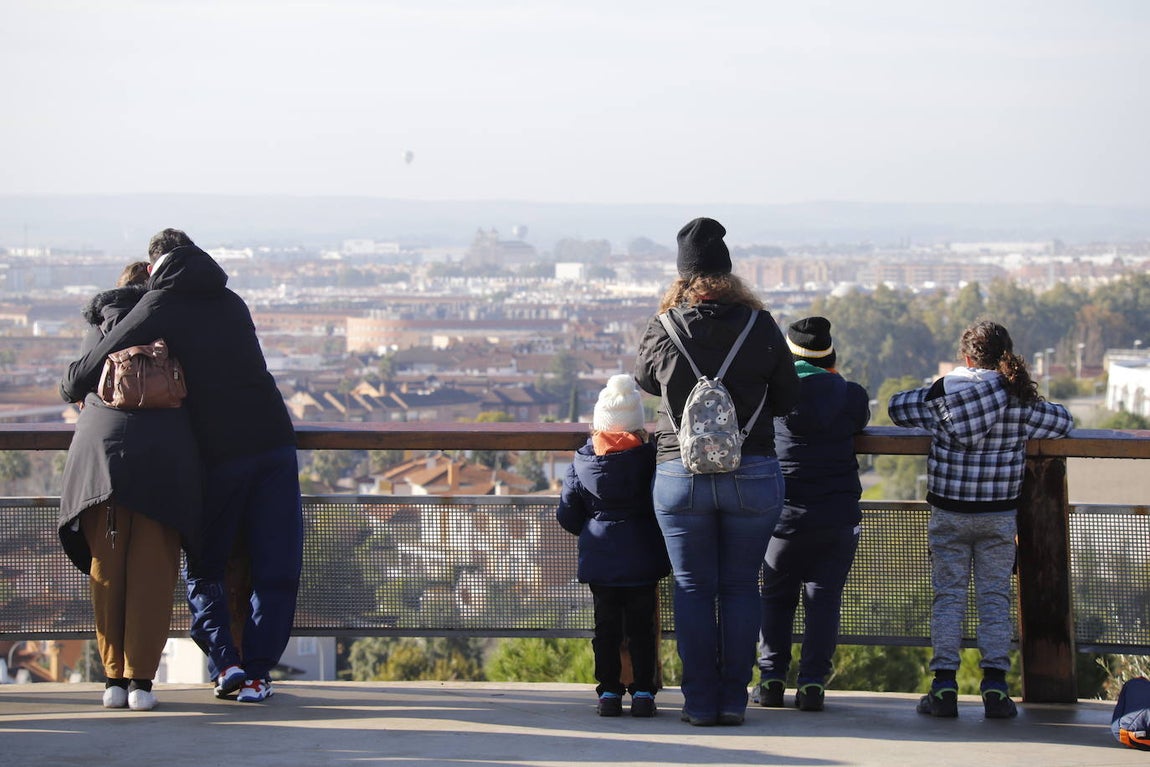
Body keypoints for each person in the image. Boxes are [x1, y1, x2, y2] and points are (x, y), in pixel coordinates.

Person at [60, 229, 303, 704]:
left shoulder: (159, 306)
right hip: (274, 441)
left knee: (205, 565)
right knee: (276, 565)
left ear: (154, 270)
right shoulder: (232, 301)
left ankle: (226, 665)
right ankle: (257, 674)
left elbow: (83, 375)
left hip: (221, 455)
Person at [634, 217, 800, 726]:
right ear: (730, 274)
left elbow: (644, 382)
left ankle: (700, 702)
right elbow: (788, 399)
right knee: (740, 588)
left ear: (683, 277)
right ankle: (733, 699)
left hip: (678, 473)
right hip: (752, 470)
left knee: (691, 588)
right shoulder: (762, 326)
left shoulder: (662, 329)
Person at [887, 320, 1073, 719]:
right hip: (998, 514)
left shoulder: (942, 399)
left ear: (966, 357)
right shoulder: (1017, 401)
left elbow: (895, 408)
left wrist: (939, 385)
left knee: (948, 597)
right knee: (994, 599)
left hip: (949, 512)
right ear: (1005, 356)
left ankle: (943, 688)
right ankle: (995, 689)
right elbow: (1062, 421)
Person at [58, 261, 203, 711]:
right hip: (163, 459)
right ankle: (141, 681)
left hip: (102, 458)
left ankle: (112, 680)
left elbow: (72, 384)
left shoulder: (101, 324)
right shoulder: (171, 319)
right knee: (152, 572)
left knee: (108, 567)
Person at [755, 317, 869, 712]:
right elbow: (858, 420)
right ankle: (813, 685)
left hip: (781, 517)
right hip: (836, 517)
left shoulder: (772, 396)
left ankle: (770, 680)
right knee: (824, 600)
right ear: (829, 357)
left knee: (775, 598)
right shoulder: (850, 396)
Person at [556, 374, 671, 718]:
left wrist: (591, 530)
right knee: (641, 630)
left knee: (605, 629)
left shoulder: (581, 462)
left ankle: (608, 691)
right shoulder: (651, 459)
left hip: (601, 560)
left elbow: (567, 514)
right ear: (637, 427)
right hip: (642, 559)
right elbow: (661, 505)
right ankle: (643, 694)